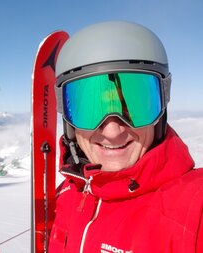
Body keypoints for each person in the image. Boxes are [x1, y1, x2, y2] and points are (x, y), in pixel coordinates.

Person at [49, 21, 203, 252]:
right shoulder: (70, 191)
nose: (112, 132)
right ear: (69, 122)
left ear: (161, 111)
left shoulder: (193, 209)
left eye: (135, 105)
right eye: (90, 111)